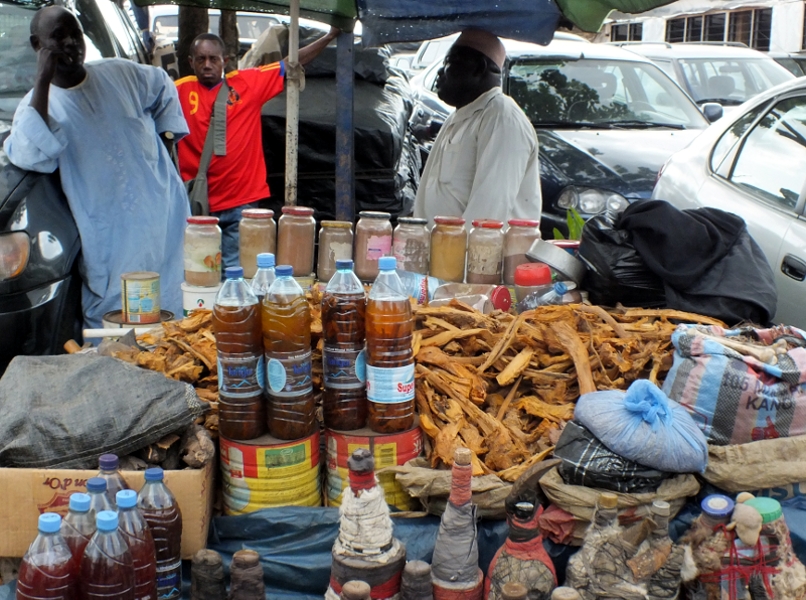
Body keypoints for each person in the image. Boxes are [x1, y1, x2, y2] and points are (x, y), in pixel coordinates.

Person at [3, 5, 189, 330]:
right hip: (110, 237)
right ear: (37, 45)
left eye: (75, 34)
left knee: (176, 317)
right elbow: (30, 154)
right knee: (119, 328)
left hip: (165, 219)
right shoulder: (36, 106)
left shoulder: (121, 73)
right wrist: (42, 79)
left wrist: (167, 140)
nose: (70, 43)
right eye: (58, 37)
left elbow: (163, 86)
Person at [175, 28, 338, 271]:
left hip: (241, 201)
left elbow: (291, 63)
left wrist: (329, 37)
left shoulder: (247, 83)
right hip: (198, 205)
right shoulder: (177, 91)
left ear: (225, 61)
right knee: (200, 273)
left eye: (213, 59)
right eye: (201, 59)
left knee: (235, 273)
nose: (207, 65)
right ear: (191, 62)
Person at [413, 30, 541, 224]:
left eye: (449, 62)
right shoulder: (459, 116)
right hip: (440, 242)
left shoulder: (501, 117)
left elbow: (490, 212)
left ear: (479, 68)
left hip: (471, 244)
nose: (440, 72)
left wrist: (453, 243)